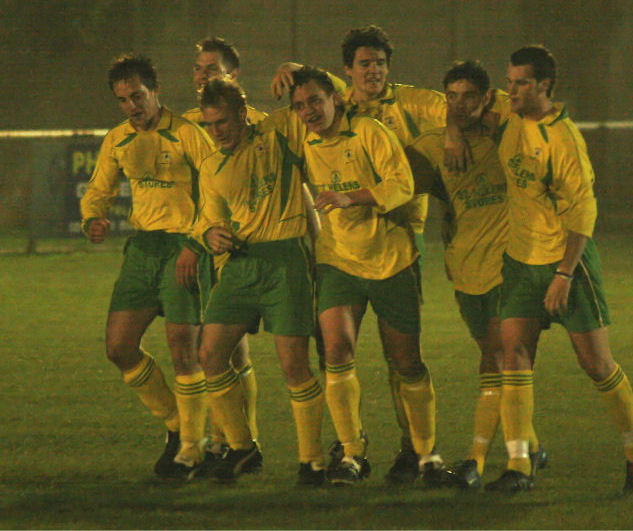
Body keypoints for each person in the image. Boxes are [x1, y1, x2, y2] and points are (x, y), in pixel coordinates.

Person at [272, 25, 459, 484]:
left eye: (378, 63)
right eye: (363, 64)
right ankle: (352, 453)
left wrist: (352, 197)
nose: (309, 110)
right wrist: (288, 69)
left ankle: (423, 452)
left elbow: (403, 182)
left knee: (406, 360)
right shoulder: (306, 129)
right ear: (348, 77)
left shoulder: (381, 122)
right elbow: (290, 101)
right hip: (338, 257)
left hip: (395, 248)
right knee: (336, 349)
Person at [488, 45, 633, 493]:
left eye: (521, 83)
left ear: (544, 86)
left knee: (596, 364)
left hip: (567, 264)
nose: (512, 90)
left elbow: (583, 212)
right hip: (521, 261)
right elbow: (450, 99)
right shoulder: (509, 115)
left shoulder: (564, 139)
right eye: (510, 81)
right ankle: (519, 465)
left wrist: (564, 274)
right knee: (514, 356)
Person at [405, 60, 547, 489]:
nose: (460, 104)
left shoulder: (507, 129)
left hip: (511, 265)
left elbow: (519, 104)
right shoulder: (431, 146)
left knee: (500, 359)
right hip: (465, 269)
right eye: (452, 96)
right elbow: (400, 185)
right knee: (494, 360)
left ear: (487, 98)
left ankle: (484, 460)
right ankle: (530, 447)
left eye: (470, 96)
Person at [80, 54, 216, 479]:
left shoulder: (189, 134)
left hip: (185, 246)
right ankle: (181, 427)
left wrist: (197, 243)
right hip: (143, 251)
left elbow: (217, 191)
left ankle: (192, 449)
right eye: (122, 100)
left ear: (155, 91)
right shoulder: (118, 139)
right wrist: (93, 217)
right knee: (118, 347)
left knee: (183, 350)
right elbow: (99, 187)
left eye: (137, 96)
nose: (132, 107)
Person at [193, 78, 326, 485]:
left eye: (222, 122)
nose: (216, 131)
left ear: (243, 115)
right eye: (209, 124)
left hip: (285, 258)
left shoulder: (280, 132)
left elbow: (325, 91)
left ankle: (312, 462)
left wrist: (297, 70)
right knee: (211, 356)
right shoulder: (211, 166)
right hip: (240, 264)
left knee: (294, 365)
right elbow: (207, 219)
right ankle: (242, 447)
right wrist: (207, 235)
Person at [182, 36, 264, 465]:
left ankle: (230, 442)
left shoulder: (260, 125)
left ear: (234, 76)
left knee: (226, 348)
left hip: (249, 250)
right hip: (205, 245)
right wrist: (194, 239)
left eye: (211, 69)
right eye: (197, 69)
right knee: (214, 349)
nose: (201, 76)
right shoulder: (185, 127)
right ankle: (226, 441)